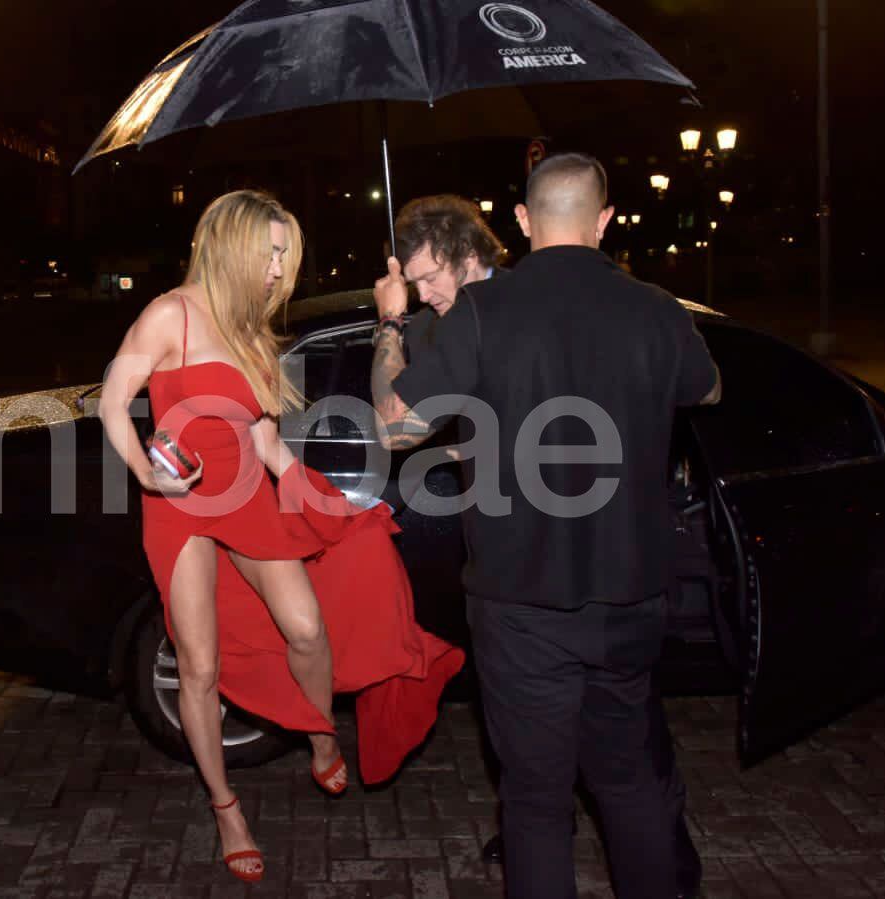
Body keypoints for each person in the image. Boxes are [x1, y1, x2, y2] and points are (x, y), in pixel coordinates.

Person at [370, 155, 721, 898]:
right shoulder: (658, 307)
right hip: (629, 597)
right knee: (628, 784)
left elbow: (395, 427)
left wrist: (391, 322)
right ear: (603, 220)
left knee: (534, 802)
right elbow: (709, 386)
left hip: (520, 601)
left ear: (523, 221)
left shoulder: (480, 312)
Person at [98, 189, 464, 884]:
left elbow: (262, 434)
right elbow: (115, 400)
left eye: (282, 256)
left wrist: (306, 487)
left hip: (245, 496)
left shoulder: (250, 328)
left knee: (304, 627)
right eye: (269, 252)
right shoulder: (168, 312)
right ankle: (226, 806)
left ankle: (319, 731)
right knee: (200, 667)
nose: (276, 269)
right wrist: (147, 472)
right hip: (178, 506)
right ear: (229, 243)